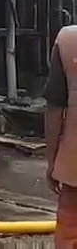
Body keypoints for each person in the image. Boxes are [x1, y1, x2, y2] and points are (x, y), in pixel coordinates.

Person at [45, 24, 77, 245]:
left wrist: (51, 162)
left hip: (73, 168)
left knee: (69, 233)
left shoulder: (67, 41)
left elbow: (54, 108)